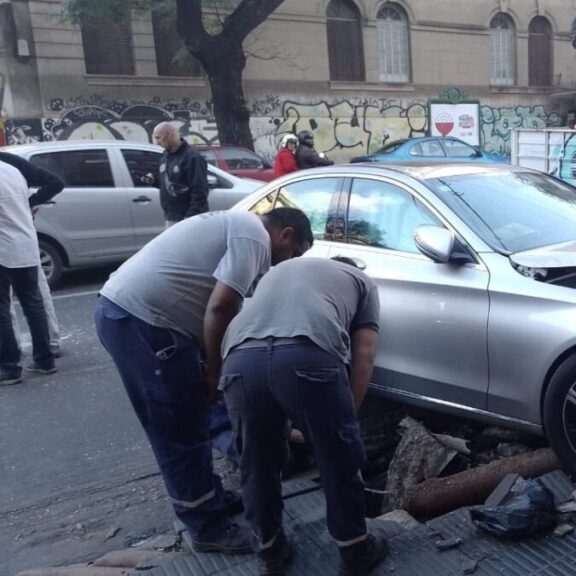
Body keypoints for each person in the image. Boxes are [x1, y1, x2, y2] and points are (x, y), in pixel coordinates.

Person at [94, 208, 313, 554]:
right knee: (177, 432)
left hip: (136, 317)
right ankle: (208, 529)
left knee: (193, 418)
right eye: (295, 253)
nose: (287, 262)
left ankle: (208, 498)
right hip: (144, 324)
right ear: (285, 234)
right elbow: (222, 307)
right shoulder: (252, 235)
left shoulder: (236, 225)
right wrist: (216, 371)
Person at [221, 256, 386, 576]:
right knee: (338, 455)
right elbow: (364, 353)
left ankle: (270, 552)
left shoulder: (279, 272)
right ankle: (355, 549)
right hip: (305, 353)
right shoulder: (363, 282)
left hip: (239, 360)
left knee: (256, 462)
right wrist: (345, 419)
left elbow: (267, 359)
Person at [0, 152, 64, 385]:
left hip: (3, 250)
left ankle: (9, 367)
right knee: (33, 303)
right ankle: (45, 359)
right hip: (26, 245)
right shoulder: (13, 170)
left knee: (2, 309)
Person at [151, 122, 210, 227]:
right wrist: (154, 181)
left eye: (158, 138)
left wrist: (190, 217)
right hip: (171, 217)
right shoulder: (165, 157)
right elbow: (172, 186)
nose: (157, 143)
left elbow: (199, 190)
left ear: (168, 135)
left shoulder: (192, 158)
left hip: (189, 218)